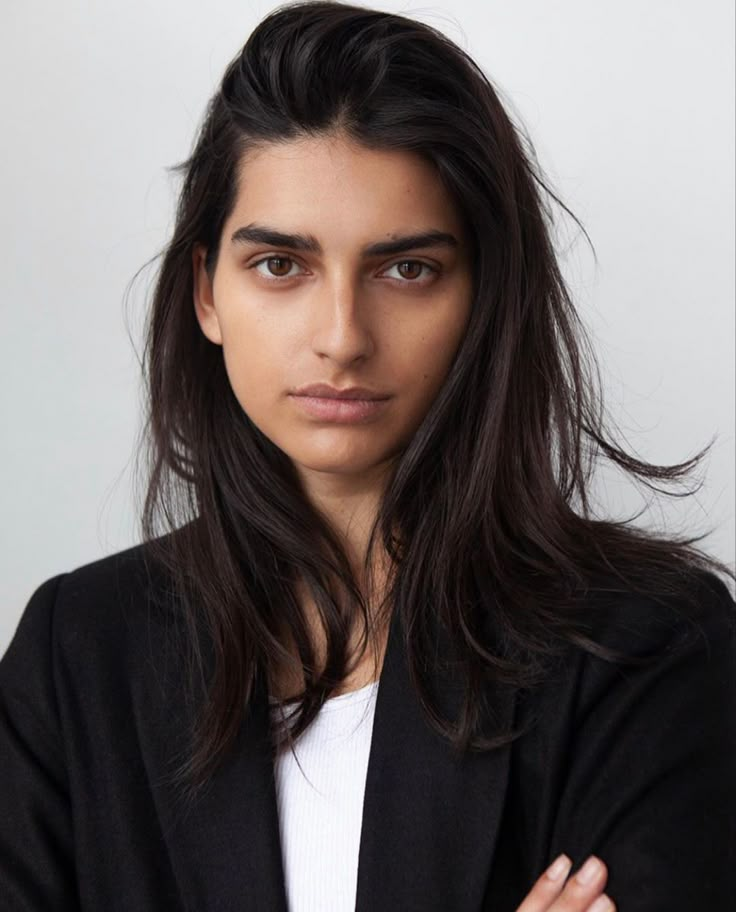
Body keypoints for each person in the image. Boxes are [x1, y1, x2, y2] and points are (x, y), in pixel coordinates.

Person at [1, 2, 734, 910]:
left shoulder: (648, 647)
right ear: (206, 293)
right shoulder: (80, 651)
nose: (342, 337)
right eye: (281, 265)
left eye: (407, 269)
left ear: (484, 295)